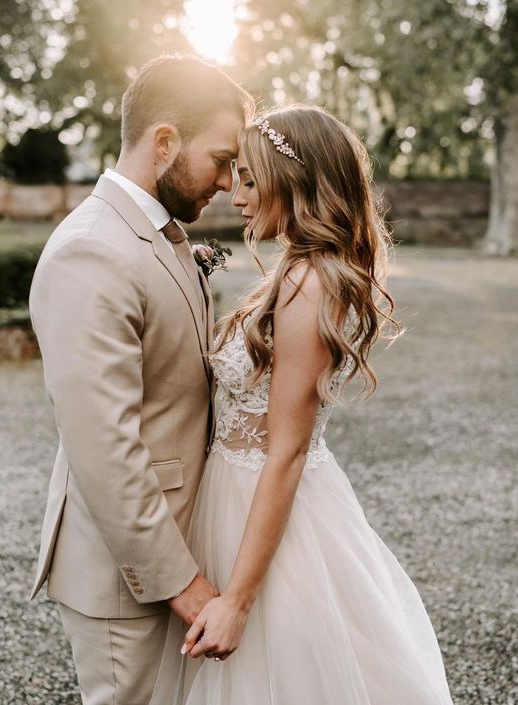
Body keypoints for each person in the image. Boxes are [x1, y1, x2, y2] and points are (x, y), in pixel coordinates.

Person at [149, 106, 455, 704]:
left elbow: (286, 449)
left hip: (267, 504)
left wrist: (237, 600)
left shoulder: (311, 284)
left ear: (298, 182)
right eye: (235, 176)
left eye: (250, 180)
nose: (234, 195)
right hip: (232, 494)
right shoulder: (296, 268)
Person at [28, 54, 254, 705]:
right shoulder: (90, 251)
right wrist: (182, 582)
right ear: (164, 142)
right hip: (131, 581)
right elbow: (105, 450)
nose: (227, 180)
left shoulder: (159, 237)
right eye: (221, 158)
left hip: (181, 545)